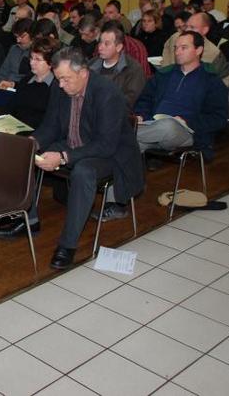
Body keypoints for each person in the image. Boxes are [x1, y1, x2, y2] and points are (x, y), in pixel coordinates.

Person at [19, 47, 143, 269]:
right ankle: (30, 219)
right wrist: (33, 142)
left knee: (83, 172)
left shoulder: (108, 93)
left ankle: (67, 245)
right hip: (75, 143)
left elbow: (105, 145)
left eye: (66, 79)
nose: (61, 85)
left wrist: (64, 157)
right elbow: (51, 126)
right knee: (28, 154)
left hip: (110, 154)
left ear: (84, 73)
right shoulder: (61, 88)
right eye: (58, 79)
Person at [135, 31, 228, 161]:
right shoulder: (164, 75)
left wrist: (187, 122)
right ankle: (120, 180)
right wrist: (141, 116)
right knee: (131, 145)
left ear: (198, 50)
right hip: (153, 126)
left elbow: (219, 118)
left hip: (187, 132)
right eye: (176, 48)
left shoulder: (211, 82)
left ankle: (119, 133)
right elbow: (145, 100)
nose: (177, 52)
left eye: (183, 48)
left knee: (167, 126)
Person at [3, 36, 59, 129]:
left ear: (51, 63)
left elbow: (49, 122)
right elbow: (12, 107)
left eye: (37, 59)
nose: (32, 62)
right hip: (12, 128)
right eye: (31, 58)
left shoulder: (55, 87)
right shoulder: (26, 80)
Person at [89, 23, 146, 108]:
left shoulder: (133, 69)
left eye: (106, 44)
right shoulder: (91, 64)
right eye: (100, 43)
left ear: (118, 47)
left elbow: (130, 100)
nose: (100, 47)